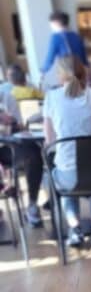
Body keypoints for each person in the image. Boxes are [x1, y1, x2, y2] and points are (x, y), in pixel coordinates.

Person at [43, 56, 91, 248]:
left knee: (61, 174)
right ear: (84, 73)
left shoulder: (51, 97)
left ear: (60, 76)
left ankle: (75, 229)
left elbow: (50, 142)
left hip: (69, 176)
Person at [0, 86, 44, 226]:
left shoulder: (7, 97)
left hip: (9, 146)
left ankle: (32, 204)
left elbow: (18, 127)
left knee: (33, 154)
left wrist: (13, 123)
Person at [40, 11, 89, 85]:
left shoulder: (55, 37)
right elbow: (83, 55)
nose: (51, 26)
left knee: (67, 90)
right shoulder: (76, 36)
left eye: (51, 24)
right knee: (81, 89)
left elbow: (50, 57)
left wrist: (43, 71)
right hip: (79, 69)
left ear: (56, 23)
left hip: (66, 71)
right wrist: (87, 69)